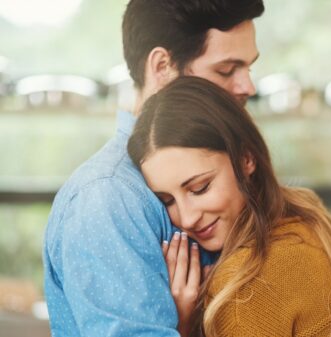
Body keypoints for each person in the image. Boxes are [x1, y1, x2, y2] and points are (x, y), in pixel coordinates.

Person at [43, 1, 264, 336]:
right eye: (226, 70)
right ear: (162, 66)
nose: (248, 87)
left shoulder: (228, 162)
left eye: (249, 68)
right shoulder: (109, 198)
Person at [127, 76, 331, 337]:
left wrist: (180, 325)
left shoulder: (244, 290)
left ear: (246, 158)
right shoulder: (307, 220)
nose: (188, 218)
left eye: (200, 188)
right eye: (167, 200)